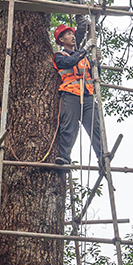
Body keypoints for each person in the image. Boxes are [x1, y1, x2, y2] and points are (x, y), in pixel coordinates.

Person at [52, 22, 107, 173]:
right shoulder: (60, 56)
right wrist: (85, 49)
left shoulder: (84, 58)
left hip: (87, 95)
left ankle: (102, 157)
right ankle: (64, 157)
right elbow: (69, 62)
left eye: (72, 33)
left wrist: (97, 63)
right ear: (61, 40)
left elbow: (95, 75)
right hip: (71, 95)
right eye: (68, 34)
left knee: (95, 127)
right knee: (69, 127)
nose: (72, 36)